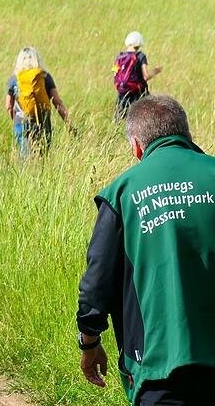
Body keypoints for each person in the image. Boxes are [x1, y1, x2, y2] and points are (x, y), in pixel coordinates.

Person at [76, 95, 215, 405]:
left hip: (157, 370)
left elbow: (96, 284)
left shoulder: (122, 193)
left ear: (136, 146)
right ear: (188, 135)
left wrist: (89, 342)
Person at [5, 47, 72, 158]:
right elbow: (57, 102)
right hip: (42, 121)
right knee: (42, 157)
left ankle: (26, 173)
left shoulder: (14, 78)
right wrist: (68, 122)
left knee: (25, 157)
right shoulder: (44, 77)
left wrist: (16, 121)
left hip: (21, 122)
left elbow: (8, 105)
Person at [113, 31, 163, 122]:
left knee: (119, 117)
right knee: (147, 114)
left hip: (122, 91)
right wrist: (156, 71)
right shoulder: (140, 56)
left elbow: (115, 73)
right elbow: (146, 76)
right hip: (138, 91)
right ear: (139, 43)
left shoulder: (119, 57)